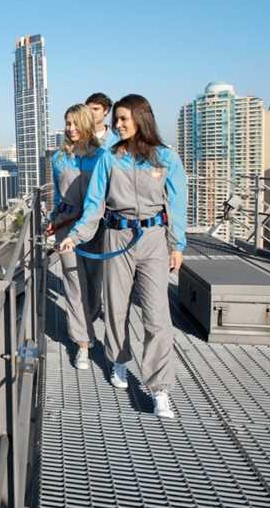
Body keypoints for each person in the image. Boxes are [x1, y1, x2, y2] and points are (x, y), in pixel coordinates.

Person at [60, 94, 187, 420]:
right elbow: (94, 205)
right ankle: (118, 359)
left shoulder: (165, 158)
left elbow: (176, 205)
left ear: (141, 120)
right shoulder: (109, 159)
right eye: (115, 120)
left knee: (157, 315)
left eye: (123, 120)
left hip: (154, 240)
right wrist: (75, 237)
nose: (117, 125)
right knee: (116, 306)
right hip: (116, 235)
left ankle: (159, 389)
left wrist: (178, 245)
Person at [44, 104, 105, 371]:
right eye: (67, 123)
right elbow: (58, 194)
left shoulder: (101, 156)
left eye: (74, 123)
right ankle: (82, 342)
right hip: (66, 227)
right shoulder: (59, 158)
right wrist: (54, 219)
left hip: (96, 227)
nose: (70, 128)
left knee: (93, 283)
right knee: (73, 284)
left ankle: (88, 322)